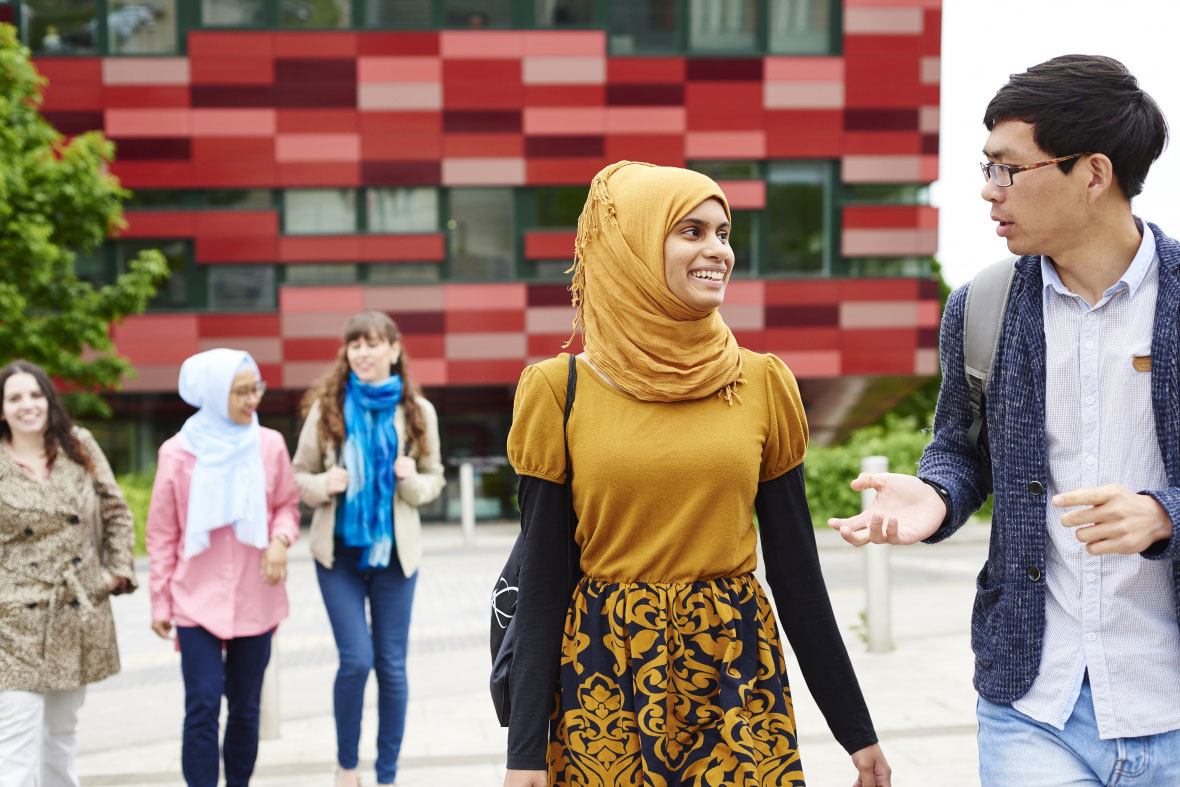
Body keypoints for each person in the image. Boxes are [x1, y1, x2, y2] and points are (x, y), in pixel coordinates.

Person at [828, 55, 1180, 785]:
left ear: (1093, 173)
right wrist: (937, 493)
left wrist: (1163, 513)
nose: (990, 192)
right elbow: (959, 448)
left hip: (1168, 695)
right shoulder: (983, 305)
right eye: (986, 168)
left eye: (1008, 169)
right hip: (1032, 703)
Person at [503, 161, 890, 787]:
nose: (719, 251)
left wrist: (856, 730)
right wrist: (524, 756)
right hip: (606, 679)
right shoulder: (558, 389)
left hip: (735, 676)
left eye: (724, 232)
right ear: (631, 246)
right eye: (691, 231)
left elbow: (796, 575)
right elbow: (544, 584)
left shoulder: (763, 381)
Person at [293, 311, 446, 787]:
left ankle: (386, 774)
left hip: (395, 557)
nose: (362, 353)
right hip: (337, 554)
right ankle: (346, 766)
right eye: (355, 345)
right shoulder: (327, 409)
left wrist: (409, 481)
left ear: (394, 350)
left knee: (392, 667)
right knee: (356, 660)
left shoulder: (418, 411)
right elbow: (298, 475)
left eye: (372, 343)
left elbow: (435, 477)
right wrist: (324, 483)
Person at [146, 349, 299, 787]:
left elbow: (287, 505)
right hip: (194, 599)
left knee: (247, 707)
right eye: (241, 391)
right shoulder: (176, 453)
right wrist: (159, 602)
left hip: (258, 594)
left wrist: (278, 539)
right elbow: (161, 533)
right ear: (213, 394)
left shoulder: (269, 445)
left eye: (257, 389)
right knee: (203, 703)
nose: (253, 399)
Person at [0, 359, 136, 787]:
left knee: (61, 739)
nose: (28, 405)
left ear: (49, 399)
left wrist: (116, 570)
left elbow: (115, 509)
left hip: (74, 613)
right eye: (15, 397)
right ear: (1, 409)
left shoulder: (78, 444)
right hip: (11, 622)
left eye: (36, 394)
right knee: (16, 743)